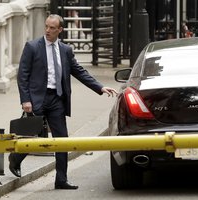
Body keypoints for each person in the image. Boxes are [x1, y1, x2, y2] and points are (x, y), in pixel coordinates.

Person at [8, 14, 117, 190]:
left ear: (60, 30)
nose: (48, 31)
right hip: (38, 98)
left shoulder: (65, 50)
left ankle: (61, 179)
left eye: (52, 28)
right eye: (46, 27)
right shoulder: (33, 47)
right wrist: (25, 100)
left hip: (57, 99)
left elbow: (79, 71)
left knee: (62, 139)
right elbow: (23, 76)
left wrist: (100, 87)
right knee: (35, 136)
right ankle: (15, 158)